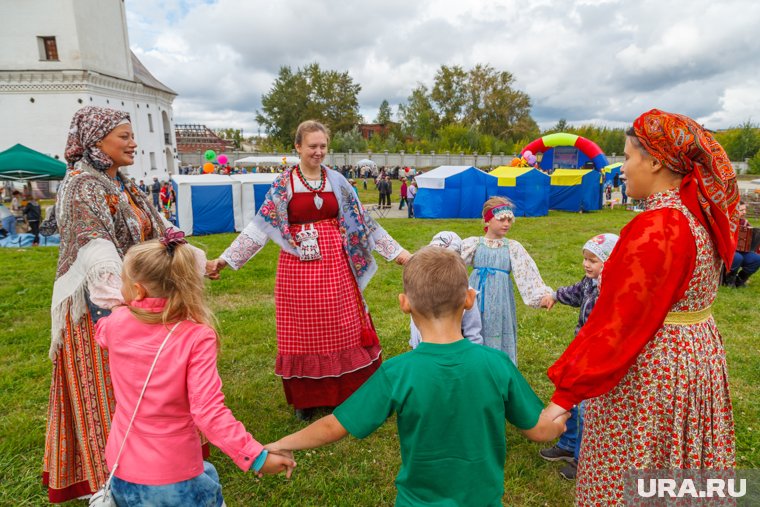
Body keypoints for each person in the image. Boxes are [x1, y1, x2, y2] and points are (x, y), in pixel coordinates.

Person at [267, 247, 569, 506]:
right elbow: (539, 430)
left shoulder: (396, 372)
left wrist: (283, 443)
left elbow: (336, 425)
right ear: (468, 299)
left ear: (404, 303)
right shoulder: (496, 364)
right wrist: (561, 415)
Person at [545, 109, 739, 504]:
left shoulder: (659, 226)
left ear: (654, 162)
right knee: (677, 461)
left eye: (629, 157)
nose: (624, 167)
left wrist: (564, 397)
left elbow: (618, 322)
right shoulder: (696, 213)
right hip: (694, 354)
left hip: (655, 364)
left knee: (637, 459)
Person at [43, 106, 208, 503]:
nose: (133, 143)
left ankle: (161, 462)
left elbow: (162, 228)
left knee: (150, 387)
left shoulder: (124, 183)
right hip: (105, 307)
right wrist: (128, 302)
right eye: (124, 136)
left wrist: (196, 262)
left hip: (143, 294)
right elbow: (95, 248)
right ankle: (113, 478)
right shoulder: (82, 185)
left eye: (132, 135)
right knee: (114, 393)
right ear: (96, 141)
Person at [208, 120, 410, 421]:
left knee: (342, 325)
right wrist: (226, 259)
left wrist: (400, 254)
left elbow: (365, 224)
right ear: (298, 147)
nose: (318, 152)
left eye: (322, 146)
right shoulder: (283, 185)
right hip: (297, 269)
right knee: (302, 331)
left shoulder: (338, 181)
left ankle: (348, 392)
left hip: (337, 266)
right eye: (312, 146)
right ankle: (307, 397)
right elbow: (259, 228)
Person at [94, 234, 295, 506]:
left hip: (123, 466)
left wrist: (121, 304)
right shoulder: (196, 336)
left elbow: (101, 332)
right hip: (176, 472)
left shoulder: (116, 323)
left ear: (138, 290)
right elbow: (208, 411)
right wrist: (255, 456)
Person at [538, 233, 619, 481]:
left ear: (610, 261)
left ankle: (582, 458)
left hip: (599, 356)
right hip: (580, 350)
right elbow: (574, 292)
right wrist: (554, 295)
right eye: (585, 259)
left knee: (586, 407)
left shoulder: (613, 288)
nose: (586, 264)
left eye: (593, 260)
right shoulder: (587, 283)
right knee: (568, 395)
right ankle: (568, 442)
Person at [460, 197, 553, 364]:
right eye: (501, 219)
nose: (506, 223)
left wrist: (542, 296)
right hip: (475, 295)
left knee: (497, 326)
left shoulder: (513, 247)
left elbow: (527, 273)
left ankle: (499, 365)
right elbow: (452, 262)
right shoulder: (474, 244)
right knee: (472, 327)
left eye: (509, 219)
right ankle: (473, 364)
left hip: (500, 299)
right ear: (487, 220)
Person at [408, 232, 483, 349]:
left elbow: (473, 332)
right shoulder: (420, 287)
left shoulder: (466, 293)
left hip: (455, 357)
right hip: (422, 354)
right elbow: (414, 325)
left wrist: (473, 356)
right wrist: (414, 345)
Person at [724, 200, 759, 287]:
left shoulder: (744, 223)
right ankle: (729, 280)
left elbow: (752, 238)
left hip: (743, 250)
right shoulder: (726, 221)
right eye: (742, 210)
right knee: (737, 257)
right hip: (728, 251)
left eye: (745, 210)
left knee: (757, 259)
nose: (744, 212)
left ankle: (740, 280)